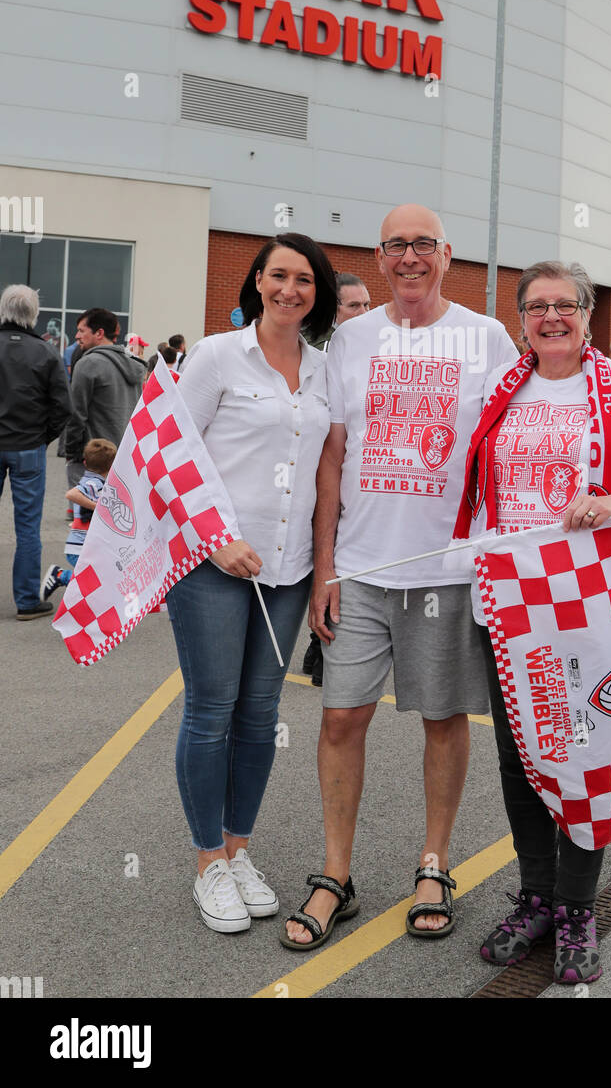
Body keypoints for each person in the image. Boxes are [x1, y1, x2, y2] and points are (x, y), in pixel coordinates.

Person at [281, 205, 516, 950]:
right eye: (396, 246)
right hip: (361, 569)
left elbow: (520, 444)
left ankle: (434, 863)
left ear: (447, 254)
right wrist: (325, 570)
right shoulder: (349, 340)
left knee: (443, 719)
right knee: (342, 717)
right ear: (379, 259)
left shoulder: (488, 338)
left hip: (448, 572)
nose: (409, 257)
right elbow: (330, 460)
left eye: (423, 244)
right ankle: (336, 875)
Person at [455, 260, 611, 984]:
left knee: (584, 750)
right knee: (521, 757)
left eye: (566, 306)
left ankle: (579, 905)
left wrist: (610, 503)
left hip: (589, 607)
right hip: (510, 602)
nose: (552, 317)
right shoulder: (500, 387)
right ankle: (538, 896)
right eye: (537, 307)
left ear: (588, 316)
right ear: (521, 319)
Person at [165, 234, 335, 933]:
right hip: (214, 567)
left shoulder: (325, 368)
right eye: (278, 276)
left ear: (316, 292)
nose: (290, 289)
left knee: (260, 715)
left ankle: (239, 851)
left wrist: (325, 571)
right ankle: (208, 862)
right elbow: (169, 453)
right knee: (212, 709)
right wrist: (216, 537)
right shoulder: (215, 355)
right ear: (257, 282)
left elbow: (329, 475)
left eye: (303, 279)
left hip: (288, 569)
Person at [302, 272, 373, 683]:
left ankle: (319, 650)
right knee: (328, 572)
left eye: (367, 304)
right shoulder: (321, 360)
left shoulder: (373, 353)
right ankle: (324, 648)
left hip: (356, 492)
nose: (364, 312)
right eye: (354, 306)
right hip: (318, 488)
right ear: (334, 314)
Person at [0, 285, 71, 620]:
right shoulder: (46, 353)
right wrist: (43, 437)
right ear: (33, 313)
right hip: (28, 446)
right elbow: (62, 406)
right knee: (28, 527)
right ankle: (27, 600)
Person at [60, 308, 145, 495]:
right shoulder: (135, 365)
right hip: (124, 456)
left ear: (99, 333)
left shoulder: (88, 364)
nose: (76, 336)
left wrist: (71, 451)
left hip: (93, 459)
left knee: (86, 518)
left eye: (82, 331)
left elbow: (76, 413)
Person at [41, 438, 116, 601]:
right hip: (81, 548)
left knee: (102, 577)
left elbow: (82, 510)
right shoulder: (94, 483)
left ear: (84, 462)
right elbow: (72, 494)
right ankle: (60, 576)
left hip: (87, 546)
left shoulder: (94, 481)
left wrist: (77, 520)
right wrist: (98, 507)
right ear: (112, 467)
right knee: (97, 578)